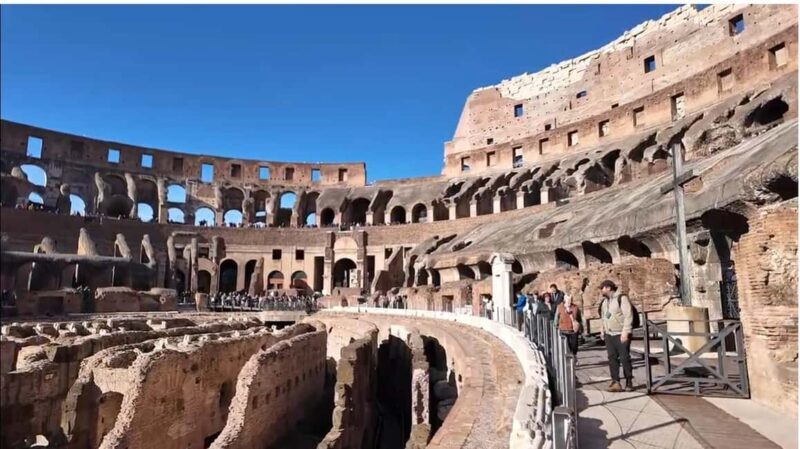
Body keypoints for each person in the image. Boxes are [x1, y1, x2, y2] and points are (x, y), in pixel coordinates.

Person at [599, 279, 634, 392]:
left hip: (621, 334)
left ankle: (629, 381)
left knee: (624, 358)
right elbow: (605, 317)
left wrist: (625, 332)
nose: (601, 290)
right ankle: (616, 382)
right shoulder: (605, 302)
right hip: (609, 334)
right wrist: (602, 330)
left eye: (602, 288)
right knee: (612, 358)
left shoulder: (621, 298)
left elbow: (628, 316)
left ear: (608, 288)